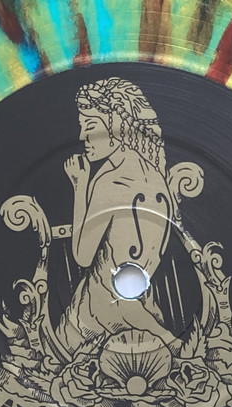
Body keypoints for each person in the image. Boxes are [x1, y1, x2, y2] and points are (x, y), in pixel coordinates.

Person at [55, 77, 178, 355]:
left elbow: (82, 256)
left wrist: (80, 185)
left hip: (95, 316)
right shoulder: (156, 176)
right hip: (144, 309)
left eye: (90, 126)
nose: (82, 137)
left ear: (117, 125)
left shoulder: (109, 180)